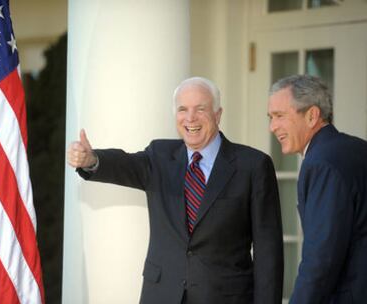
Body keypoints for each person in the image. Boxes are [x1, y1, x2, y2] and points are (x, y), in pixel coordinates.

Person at [68, 77, 284, 304]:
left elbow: (268, 251)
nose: (190, 118)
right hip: (161, 294)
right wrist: (92, 160)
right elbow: (125, 164)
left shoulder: (252, 165)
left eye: (200, 109)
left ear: (218, 114)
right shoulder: (160, 155)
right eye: (183, 109)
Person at [268, 74, 367, 304]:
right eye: (270, 117)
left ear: (312, 115)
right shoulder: (358, 148)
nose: (273, 127)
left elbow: (321, 259)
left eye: (279, 116)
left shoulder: (320, 163)